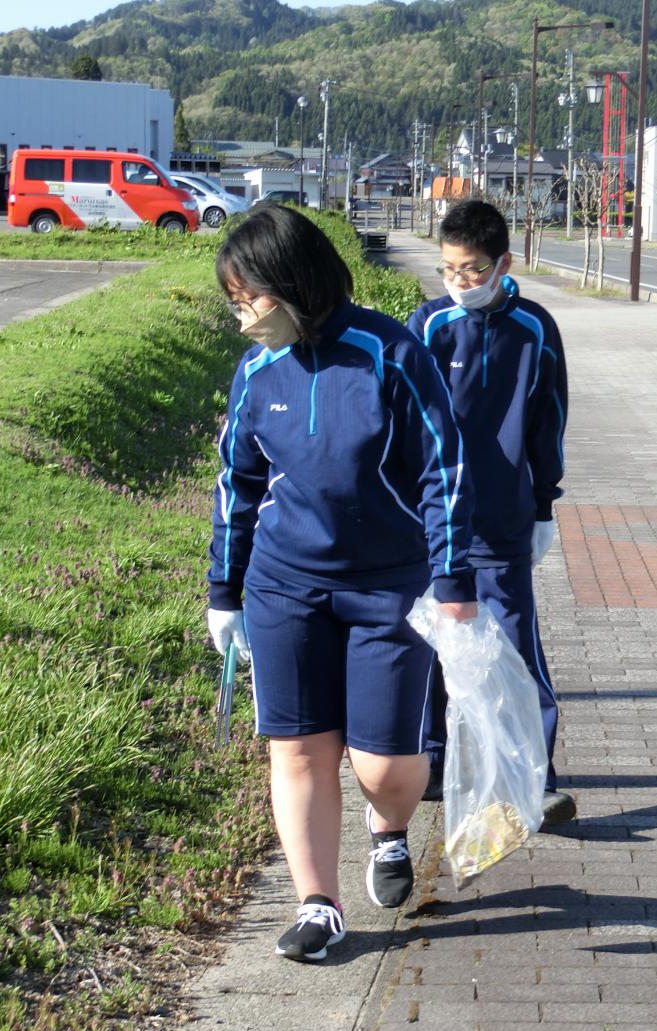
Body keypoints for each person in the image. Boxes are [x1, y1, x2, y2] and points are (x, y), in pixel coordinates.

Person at [206, 205, 477, 963]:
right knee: (297, 751)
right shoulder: (258, 370)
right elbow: (238, 483)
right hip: (285, 585)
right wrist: (224, 592)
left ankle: (388, 829)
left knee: (386, 768)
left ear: (291, 283)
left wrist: (452, 578)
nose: (242, 315)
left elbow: (444, 470)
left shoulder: (390, 354)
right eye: (234, 300)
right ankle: (317, 903)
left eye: (247, 296)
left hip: (389, 586)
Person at [408, 200, 576, 826]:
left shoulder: (534, 329)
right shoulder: (426, 326)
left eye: (475, 270)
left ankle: (537, 773)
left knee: (514, 645)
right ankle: (429, 759)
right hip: (435, 521)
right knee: (429, 640)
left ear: (505, 263)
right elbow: (406, 428)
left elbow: (549, 421)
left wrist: (543, 505)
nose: (461, 282)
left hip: (503, 517)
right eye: (450, 269)